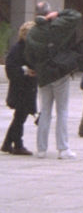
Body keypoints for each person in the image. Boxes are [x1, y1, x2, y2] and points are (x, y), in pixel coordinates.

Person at [24, 1, 82, 159]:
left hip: (43, 74)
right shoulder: (57, 26)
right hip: (59, 72)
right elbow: (76, 15)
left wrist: (36, 67)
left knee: (45, 112)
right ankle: (63, 149)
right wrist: (58, 14)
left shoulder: (33, 32)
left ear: (36, 14)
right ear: (49, 12)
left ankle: (41, 149)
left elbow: (29, 56)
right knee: (62, 110)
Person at [1, 21, 37, 156]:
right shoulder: (18, 48)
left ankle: (8, 143)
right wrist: (26, 72)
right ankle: (17, 144)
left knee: (20, 116)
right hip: (21, 88)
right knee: (20, 116)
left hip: (27, 87)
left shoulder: (26, 47)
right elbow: (11, 68)